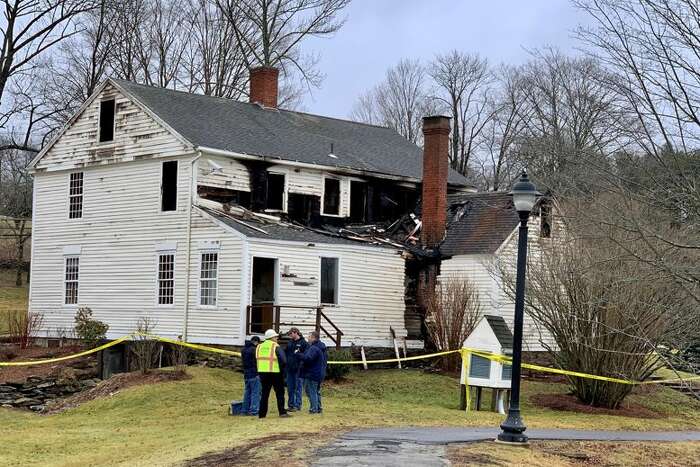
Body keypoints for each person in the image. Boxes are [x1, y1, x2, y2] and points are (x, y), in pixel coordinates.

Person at [256, 329, 290, 418]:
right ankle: (282, 412)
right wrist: (283, 371)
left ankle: (262, 414)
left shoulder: (259, 346)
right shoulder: (275, 346)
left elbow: (256, 359)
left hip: (262, 373)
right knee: (279, 393)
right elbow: (283, 360)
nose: (277, 338)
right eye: (275, 336)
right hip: (275, 372)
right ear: (271, 337)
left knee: (264, 394)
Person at [297, 331, 327, 414]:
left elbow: (308, 359)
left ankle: (314, 409)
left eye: (309, 337)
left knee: (311, 391)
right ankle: (318, 408)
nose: (308, 338)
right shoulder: (320, 347)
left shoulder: (314, 348)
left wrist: (299, 355)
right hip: (319, 373)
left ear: (313, 338)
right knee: (316, 391)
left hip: (312, 373)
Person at [285, 327, 308, 412]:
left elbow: (306, 356)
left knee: (298, 388)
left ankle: (297, 405)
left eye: (291, 334)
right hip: (289, 369)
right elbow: (286, 353)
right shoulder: (290, 342)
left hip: (298, 370)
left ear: (296, 333)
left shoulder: (304, 343)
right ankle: (291, 405)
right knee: (290, 388)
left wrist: (301, 366)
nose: (290, 335)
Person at [240, 336, 261, 416]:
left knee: (247, 392)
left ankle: (244, 410)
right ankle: (254, 410)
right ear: (256, 342)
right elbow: (256, 362)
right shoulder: (254, 350)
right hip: (254, 373)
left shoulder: (243, 349)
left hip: (246, 374)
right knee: (255, 392)